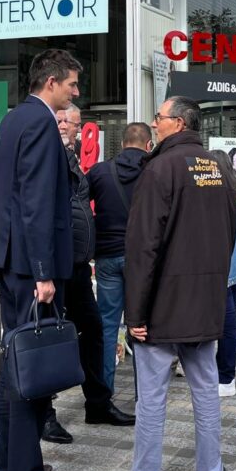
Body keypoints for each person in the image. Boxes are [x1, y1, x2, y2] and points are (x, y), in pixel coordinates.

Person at [120, 96, 236, 471]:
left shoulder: (160, 168)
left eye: (160, 117)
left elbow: (142, 247)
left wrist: (134, 314)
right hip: (204, 305)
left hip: (162, 309)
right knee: (206, 393)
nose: (155, 123)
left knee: (151, 399)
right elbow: (229, 236)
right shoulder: (219, 167)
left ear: (180, 124)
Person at [0, 49, 81, 471]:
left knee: (14, 363)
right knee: (29, 367)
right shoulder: (41, 122)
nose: (76, 91)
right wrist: (44, 272)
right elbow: (36, 202)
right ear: (51, 83)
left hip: (8, 256)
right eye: (72, 84)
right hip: (28, 264)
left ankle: (8, 470)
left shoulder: (13, 118)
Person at [42, 104, 134, 446]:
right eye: (65, 121)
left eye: (76, 125)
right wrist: (43, 270)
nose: (72, 129)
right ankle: (44, 414)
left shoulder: (69, 156)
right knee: (49, 339)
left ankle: (97, 403)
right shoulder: (46, 155)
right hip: (55, 265)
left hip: (77, 264)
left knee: (93, 329)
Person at [88, 122, 152, 401]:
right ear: (148, 145)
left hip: (107, 257)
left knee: (106, 325)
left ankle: (103, 395)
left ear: (123, 143)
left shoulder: (100, 171)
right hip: (142, 260)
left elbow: (78, 205)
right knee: (142, 325)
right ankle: (145, 395)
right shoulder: (155, 171)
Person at [210, 149, 236, 398]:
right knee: (228, 321)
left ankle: (226, 378)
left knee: (226, 326)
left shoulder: (212, 195)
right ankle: (221, 373)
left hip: (221, 271)